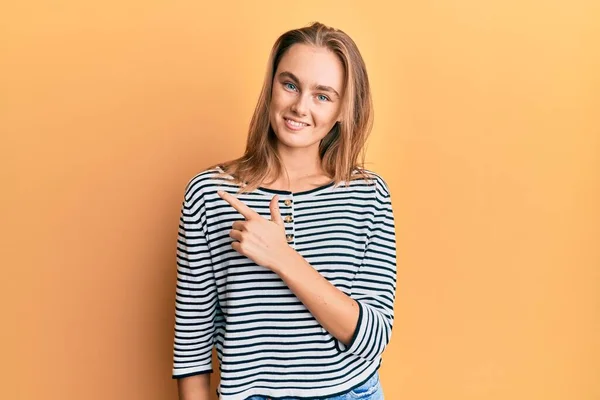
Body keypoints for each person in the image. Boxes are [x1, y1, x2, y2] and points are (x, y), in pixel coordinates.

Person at [172, 22, 397, 400]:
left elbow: (372, 337)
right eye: (290, 85)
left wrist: (283, 258)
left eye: (323, 96)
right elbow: (191, 347)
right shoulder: (210, 193)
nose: (300, 107)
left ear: (343, 109)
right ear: (271, 87)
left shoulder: (367, 195)